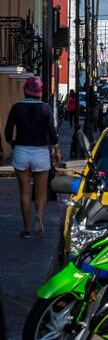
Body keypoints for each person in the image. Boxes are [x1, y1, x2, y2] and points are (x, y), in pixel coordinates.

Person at [2, 75, 61, 238]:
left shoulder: (17, 107)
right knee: (41, 191)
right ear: (40, 92)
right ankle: (39, 216)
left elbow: (8, 130)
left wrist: (12, 142)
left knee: (24, 192)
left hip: (21, 150)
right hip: (41, 151)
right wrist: (57, 150)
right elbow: (52, 132)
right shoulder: (46, 109)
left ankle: (27, 229)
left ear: (25, 91)